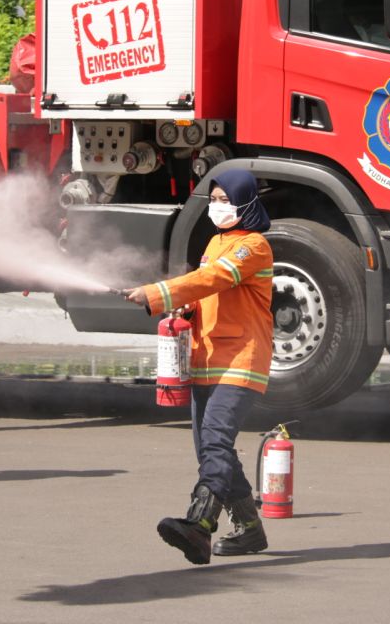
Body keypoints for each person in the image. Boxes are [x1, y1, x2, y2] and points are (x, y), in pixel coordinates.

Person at [124, 169, 274, 565]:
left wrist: (159, 293)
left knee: (215, 443)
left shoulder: (253, 246)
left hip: (242, 360)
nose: (217, 206)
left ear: (246, 202)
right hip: (207, 360)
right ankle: (250, 530)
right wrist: (188, 304)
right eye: (215, 198)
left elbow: (217, 278)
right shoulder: (216, 241)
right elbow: (209, 288)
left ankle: (199, 525)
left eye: (225, 199)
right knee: (211, 450)